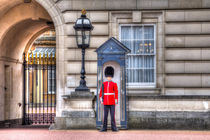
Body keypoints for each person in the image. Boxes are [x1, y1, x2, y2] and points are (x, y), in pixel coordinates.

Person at [99, 66, 119, 132]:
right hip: (106, 102)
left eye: (110, 76)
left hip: (112, 102)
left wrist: (116, 100)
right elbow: (101, 92)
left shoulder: (114, 84)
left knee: (112, 116)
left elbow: (116, 92)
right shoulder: (104, 84)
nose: (109, 78)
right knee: (105, 116)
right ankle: (104, 128)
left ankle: (114, 128)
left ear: (111, 76)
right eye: (108, 76)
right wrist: (101, 100)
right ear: (106, 76)